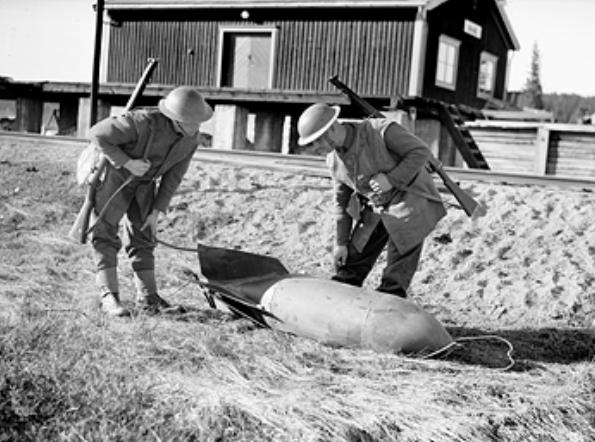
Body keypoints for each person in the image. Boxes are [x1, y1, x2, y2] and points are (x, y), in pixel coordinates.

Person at [297, 103, 446, 298]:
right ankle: (343, 294)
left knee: (399, 259)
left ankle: (390, 296)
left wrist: (391, 179)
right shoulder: (333, 161)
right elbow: (340, 203)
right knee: (352, 260)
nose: (315, 149)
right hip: (377, 205)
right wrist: (340, 243)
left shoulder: (381, 131)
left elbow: (420, 152)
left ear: (331, 129)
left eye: (316, 142)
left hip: (411, 198)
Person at [87, 86, 213, 316]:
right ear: (175, 119)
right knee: (104, 233)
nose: (196, 127)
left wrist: (157, 211)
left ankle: (148, 298)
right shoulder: (141, 122)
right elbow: (97, 134)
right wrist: (127, 162)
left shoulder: (190, 140)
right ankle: (109, 297)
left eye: (198, 122)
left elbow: (174, 176)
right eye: (190, 122)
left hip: (145, 185)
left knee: (144, 235)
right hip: (116, 178)